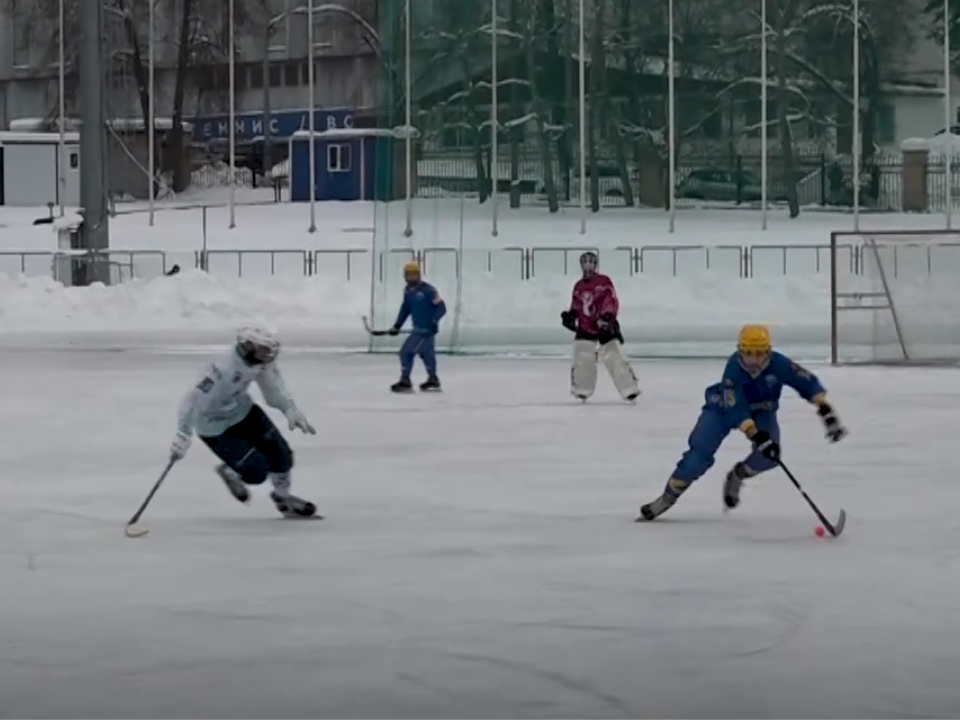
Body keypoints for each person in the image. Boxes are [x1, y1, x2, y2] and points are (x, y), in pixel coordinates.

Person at [638, 324, 847, 521]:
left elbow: (805, 380)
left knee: (770, 457)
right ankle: (666, 498)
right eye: (748, 353)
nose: (753, 360)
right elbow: (734, 406)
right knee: (699, 454)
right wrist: (754, 433)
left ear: (768, 352)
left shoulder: (779, 363)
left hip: (762, 411)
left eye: (759, 353)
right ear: (739, 351)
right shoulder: (734, 368)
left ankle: (737, 475)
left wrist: (824, 407)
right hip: (722, 410)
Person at [169, 326, 318, 519]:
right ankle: (229, 472)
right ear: (249, 346)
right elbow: (192, 400)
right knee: (256, 472)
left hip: (243, 412)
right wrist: (183, 434)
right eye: (266, 348)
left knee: (282, 456)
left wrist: (289, 408)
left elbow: (272, 389)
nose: (271, 353)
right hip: (214, 426)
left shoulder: (259, 361)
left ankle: (284, 499)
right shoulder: (222, 369)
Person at [561, 251, 640, 402]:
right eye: (585, 262)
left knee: (614, 355)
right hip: (586, 326)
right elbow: (577, 305)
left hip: (605, 325)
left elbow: (610, 299)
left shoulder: (603, 282)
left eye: (591, 262)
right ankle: (582, 388)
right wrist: (571, 316)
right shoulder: (578, 286)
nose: (588, 265)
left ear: (595, 264)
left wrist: (607, 316)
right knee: (582, 354)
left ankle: (629, 388)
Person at [389, 261, 447, 393]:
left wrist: (434, 321)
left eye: (414, 275)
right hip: (418, 329)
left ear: (419, 275)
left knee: (406, 352)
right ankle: (433, 379)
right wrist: (397, 325)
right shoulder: (407, 291)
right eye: (408, 275)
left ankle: (405, 380)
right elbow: (405, 309)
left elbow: (442, 308)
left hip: (426, 331)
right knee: (427, 355)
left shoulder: (429, 290)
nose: (411, 278)